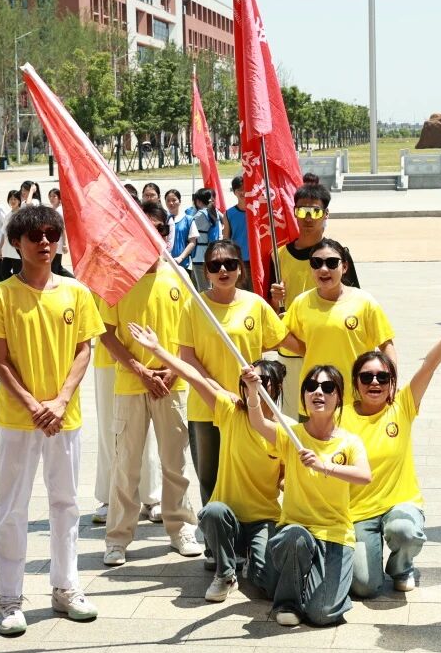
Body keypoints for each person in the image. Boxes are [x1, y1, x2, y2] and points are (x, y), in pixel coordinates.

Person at [0, 204, 102, 635]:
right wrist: (33, 404)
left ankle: (66, 587)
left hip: (65, 417)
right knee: (12, 507)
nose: (44, 242)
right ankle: (9, 598)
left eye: (51, 234)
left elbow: (84, 350)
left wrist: (61, 400)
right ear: (17, 243)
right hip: (18, 419)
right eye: (35, 236)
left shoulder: (76, 293)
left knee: (66, 504)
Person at [129, 328, 286, 602]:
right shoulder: (229, 410)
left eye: (262, 381)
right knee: (212, 511)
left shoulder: (285, 431)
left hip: (264, 520)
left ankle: (251, 557)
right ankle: (225, 574)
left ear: (276, 387)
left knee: (267, 584)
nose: (254, 385)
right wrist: (157, 349)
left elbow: (286, 480)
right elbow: (193, 375)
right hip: (228, 518)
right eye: (249, 380)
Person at [98, 201, 202, 566]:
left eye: (159, 229)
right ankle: (117, 538)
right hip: (131, 382)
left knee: (175, 462)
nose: (153, 235)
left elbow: (193, 331)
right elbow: (106, 334)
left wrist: (173, 370)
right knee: (126, 465)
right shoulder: (119, 277)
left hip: (173, 384)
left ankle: (181, 528)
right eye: (145, 229)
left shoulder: (180, 276)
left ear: (167, 233)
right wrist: (140, 370)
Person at [347, 304, 441, 598]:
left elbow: (429, 367)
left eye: (382, 377)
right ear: (355, 383)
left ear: (392, 383)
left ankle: (401, 565)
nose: (375, 382)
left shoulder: (402, 406)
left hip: (399, 504)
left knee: (405, 531)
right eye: (366, 377)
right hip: (358, 512)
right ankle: (370, 558)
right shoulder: (340, 416)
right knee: (364, 586)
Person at [245, 364, 371, 627]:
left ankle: (326, 582)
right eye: (311, 387)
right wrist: (253, 391)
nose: (318, 392)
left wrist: (323, 466)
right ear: (303, 396)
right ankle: (287, 602)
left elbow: (364, 475)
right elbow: (257, 421)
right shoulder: (292, 435)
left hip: (335, 532)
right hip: (297, 529)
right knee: (294, 537)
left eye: (327, 387)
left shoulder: (350, 441)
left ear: (339, 397)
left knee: (322, 614)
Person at [176, 239, 299, 505]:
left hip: (250, 407)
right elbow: (187, 358)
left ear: (240, 269)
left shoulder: (255, 304)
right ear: (206, 272)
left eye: (230, 264)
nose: (223, 270)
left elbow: (284, 340)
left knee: (250, 473)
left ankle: (249, 526)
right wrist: (220, 392)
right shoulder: (194, 306)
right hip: (207, 407)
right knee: (210, 477)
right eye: (215, 265)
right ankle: (214, 528)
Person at [266, 182, 361, 416]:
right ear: (294, 212)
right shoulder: (278, 255)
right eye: (302, 211)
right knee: (295, 418)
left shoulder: (337, 255)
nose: (308, 218)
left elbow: (353, 300)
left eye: (315, 211)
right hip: (293, 352)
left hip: (330, 348)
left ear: (326, 214)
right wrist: (274, 299)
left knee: (336, 415)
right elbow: (269, 313)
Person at [282, 237, 396, 415]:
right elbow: (282, 337)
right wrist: (310, 350)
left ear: (344, 267)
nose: (323, 269)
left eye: (331, 263)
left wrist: (391, 384)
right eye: (316, 263)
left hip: (357, 401)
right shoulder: (301, 303)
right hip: (316, 398)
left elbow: (386, 345)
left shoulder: (364, 302)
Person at [89, 292, 163, 527]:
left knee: (146, 429)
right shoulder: (98, 274)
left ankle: (152, 496)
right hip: (108, 357)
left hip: (143, 355)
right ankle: (109, 496)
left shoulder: (145, 272)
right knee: (110, 429)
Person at [225, 175, 254, 292]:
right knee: (239, 294)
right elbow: (226, 239)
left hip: (256, 261)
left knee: (256, 294)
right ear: (234, 192)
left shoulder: (257, 211)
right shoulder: (229, 213)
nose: (243, 192)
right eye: (239, 189)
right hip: (238, 261)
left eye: (246, 189)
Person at [189, 188, 219, 290]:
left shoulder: (201, 214)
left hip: (199, 256)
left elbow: (188, 226)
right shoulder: (215, 212)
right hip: (210, 253)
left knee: (203, 290)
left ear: (198, 201)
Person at [165, 189, 196, 269]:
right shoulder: (163, 220)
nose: (171, 203)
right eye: (168, 200)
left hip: (182, 263)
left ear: (179, 201)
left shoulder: (188, 219)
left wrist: (181, 258)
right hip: (164, 262)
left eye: (174, 200)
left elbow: (192, 242)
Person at [0, 190, 23, 282]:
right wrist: (0, 248)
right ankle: (14, 286)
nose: (13, 201)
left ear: (19, 200)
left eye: (15, 199)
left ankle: (20, 288)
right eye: (11, 199)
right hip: (7, 251)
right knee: (3, 272)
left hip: (18, 251)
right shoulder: (8, 215)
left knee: (18, 274)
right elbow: (4, 233)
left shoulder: (21, 214)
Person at [47, 187, 70, 277]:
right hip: (53, 241)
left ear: (59, 198)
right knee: (57, 267)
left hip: (58, 242)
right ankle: (76, 281)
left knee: (55, 268)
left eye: (54, 196)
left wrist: (64, 244)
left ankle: (75, 281)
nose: (52, 198)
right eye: (50, 196)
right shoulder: (53, 209)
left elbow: (62, 228)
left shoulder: (59, 210)